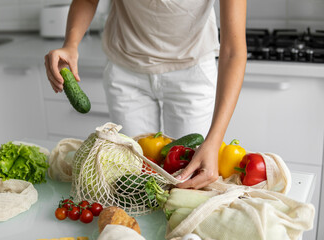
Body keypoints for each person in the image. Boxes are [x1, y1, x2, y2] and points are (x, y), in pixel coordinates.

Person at [44, 0, 247, 189]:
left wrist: (214, 140)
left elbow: (233, 51)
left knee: (190, 181)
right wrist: (71, 43)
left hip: (192, 71)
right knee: (132, 177)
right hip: (126, 69)